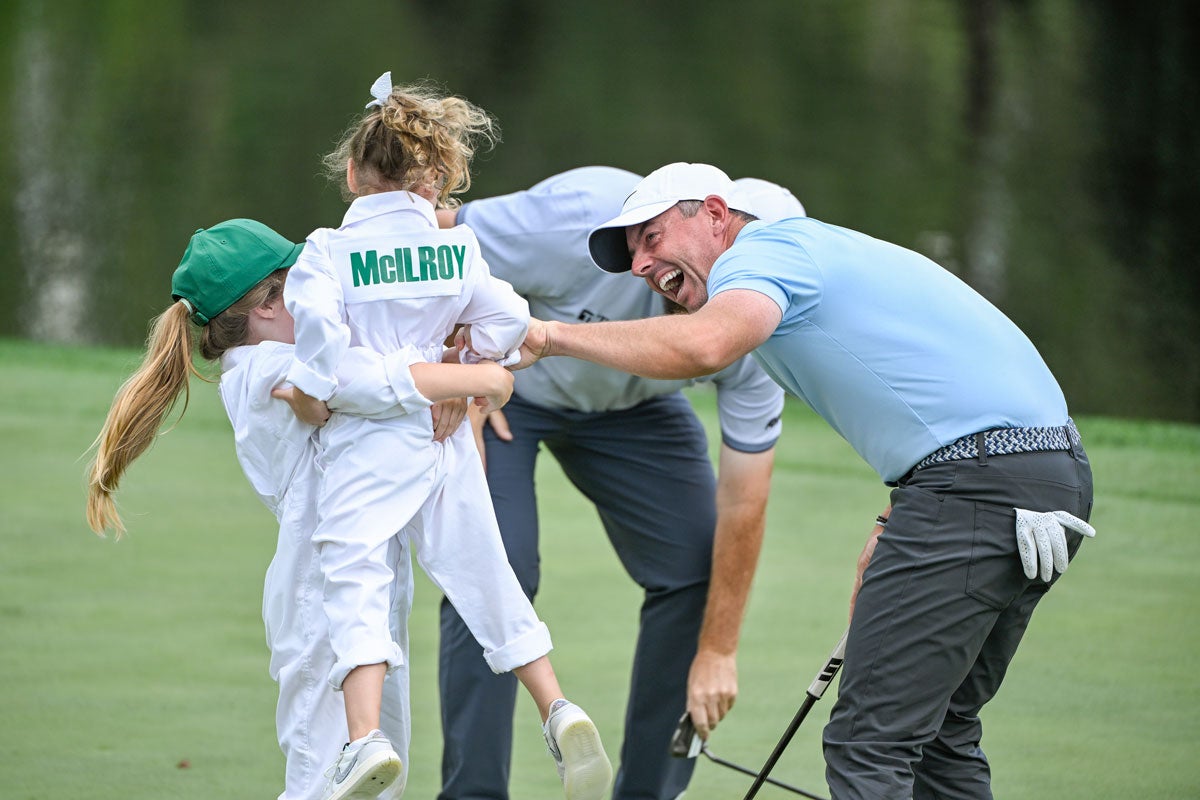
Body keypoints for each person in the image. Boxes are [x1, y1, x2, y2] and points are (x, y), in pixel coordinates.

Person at [514, 162, 1096, 799]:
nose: (641, 268)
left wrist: (549, 335)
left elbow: (703, 347)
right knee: (940, 732)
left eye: (650, 239)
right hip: (1043, 477)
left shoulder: (763, 251)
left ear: (712, 213)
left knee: (868, 745)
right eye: (633, 257)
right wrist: (897, 517)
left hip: (980, 487)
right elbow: (935, 390)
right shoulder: (809, 259)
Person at [84, 218, 508, 799]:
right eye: (307, 287)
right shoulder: (265, 371)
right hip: (318, 600)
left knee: (380, 776)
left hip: (365, 589)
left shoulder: (287, 359)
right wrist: (470, 373)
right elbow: (375, 378)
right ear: (269, 304)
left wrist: (449, 366)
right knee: (320, 780)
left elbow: (392, 369)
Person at [279, 74, 612, 800]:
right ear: (431, 179)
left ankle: (363, 741)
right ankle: (558, 708)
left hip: (368, 447)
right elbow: (512, 328)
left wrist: (412, 375)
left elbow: (327, 371)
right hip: (446, 444)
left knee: (355, 582)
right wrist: (463, 369)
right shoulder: (454, 251)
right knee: (484, 573)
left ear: (352, 173)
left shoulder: (325, 253)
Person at [433, 166, 799, 800]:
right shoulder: (576, 214)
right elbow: (433, 242)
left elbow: (745, 498)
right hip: (508, 394)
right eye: (640, 244)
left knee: (695, 565)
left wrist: (718, 650)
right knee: (496, 568)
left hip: (638, 409)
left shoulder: (762, 323)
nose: (640, 264)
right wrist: (454, 366)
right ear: (711, 219)